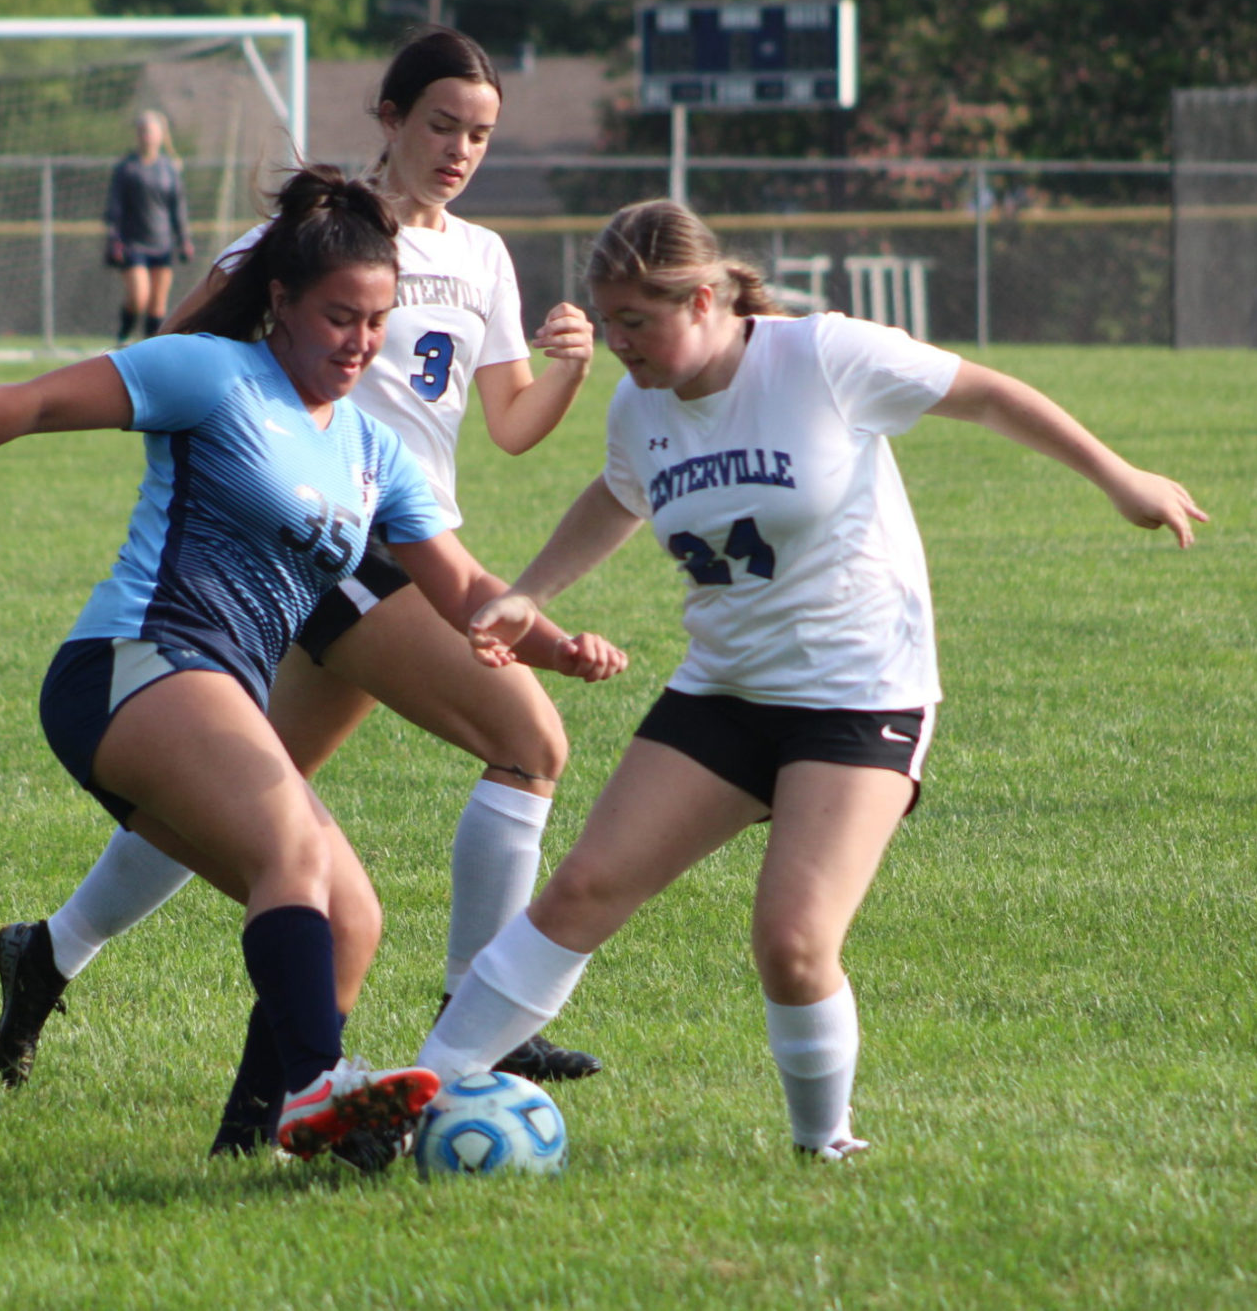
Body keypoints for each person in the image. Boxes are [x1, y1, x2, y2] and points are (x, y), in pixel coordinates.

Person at [0, 166, 625, 1169]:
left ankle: (251, 1146)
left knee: (350, 921)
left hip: (212, 687)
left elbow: (461, 588)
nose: (359, 342)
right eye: (337, 317)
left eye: (376, 321)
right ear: (279, 302)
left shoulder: (372, 451)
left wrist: (551, 642)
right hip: (130, 663)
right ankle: (323, 1087)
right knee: (296, 856)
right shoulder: (212, 373)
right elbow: (34, 403)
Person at [418, 198, 1208, 1161]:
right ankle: (420, 1095)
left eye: (638, 321)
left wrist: (1120, 476)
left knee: (792, 944)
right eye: (607, 319)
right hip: (726, 689)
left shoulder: (823, 357)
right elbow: (622, 493)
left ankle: (824, 1147)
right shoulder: (641, 403)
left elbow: (991, 394)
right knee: (582, 889)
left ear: (704, 299)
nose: (618, 343)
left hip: (858, 692)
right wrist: (528, 591)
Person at [0, 27, 606, 1153]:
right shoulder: (312, 237)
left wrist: (566, 367)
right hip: (332, 550)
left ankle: (58, 953)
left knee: (253, 809)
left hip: (406, 544)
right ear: (388, 115)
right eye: (441, 124)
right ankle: (482, 1020)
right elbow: (177, 361)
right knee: (527, 740)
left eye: (480, 132)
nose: (460, 148)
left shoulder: (483, 259)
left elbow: (510, 429)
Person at [105, 109, 194, 346]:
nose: (146, 136)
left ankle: (149, 348)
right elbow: (114, 208)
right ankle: (123, 338)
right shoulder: (127, 168)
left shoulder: (169, 169)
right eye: (142, 131)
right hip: (133, 244)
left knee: (157, 303)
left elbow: (178, 207)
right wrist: (114, 240)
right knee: (139, 296)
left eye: (150, 131)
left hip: (162, 243)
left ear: (160, 135)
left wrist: (184, 239)